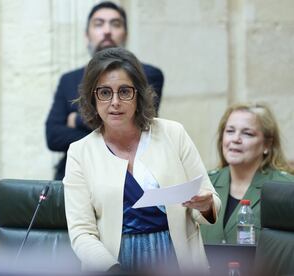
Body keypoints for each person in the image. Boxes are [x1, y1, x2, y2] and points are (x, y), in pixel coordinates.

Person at [63, 47, 220, 274]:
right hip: (114, 263)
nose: (115, 102)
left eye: (124, 91)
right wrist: (110, 268)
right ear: (92, 98)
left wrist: (205, 205)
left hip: (177, 260)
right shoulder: (80, 152)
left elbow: (209, 200)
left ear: (139, 95)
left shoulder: (173, 133)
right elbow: (81, 232)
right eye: (105, 93)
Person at [46, 1, 164, 180]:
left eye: (115, 24)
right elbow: (54, 136)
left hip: (129, 175)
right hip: (75, 175)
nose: (107, 30)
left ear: (125, 34)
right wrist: (114, 130)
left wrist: (77, 120)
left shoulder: (147, 75)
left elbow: (140, 124)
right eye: (99, 24)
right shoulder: (69, 80)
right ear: (87, 35)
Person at [200, 103, 294, 244]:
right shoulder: (205, 183)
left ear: (267, 145)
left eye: (247, 133)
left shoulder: (286, 188)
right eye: (230, 131)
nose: (235, 139)